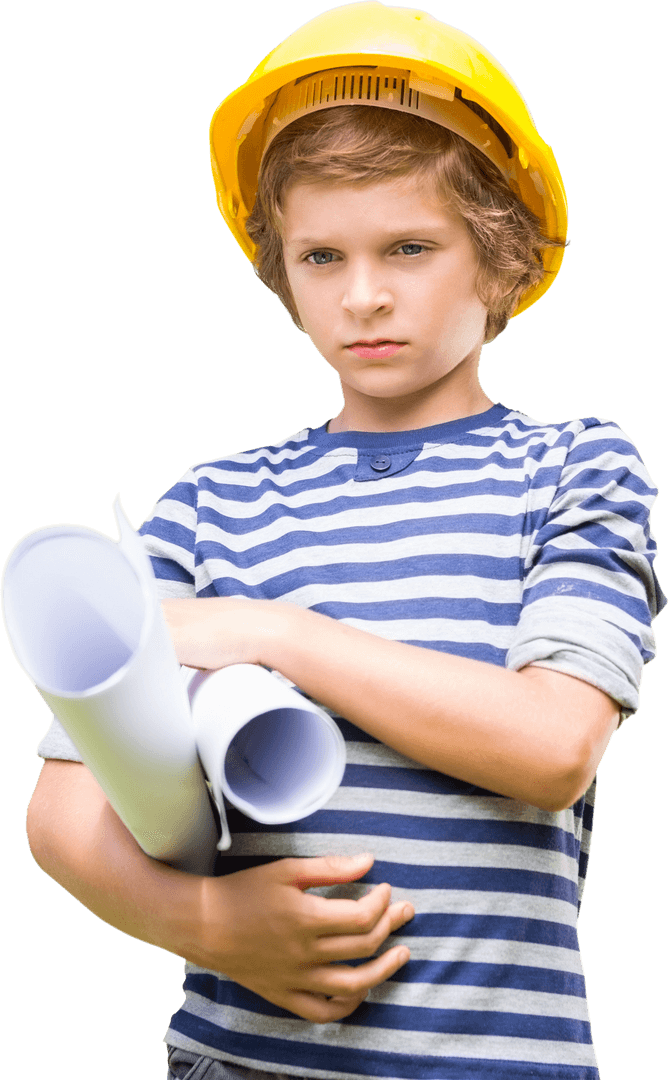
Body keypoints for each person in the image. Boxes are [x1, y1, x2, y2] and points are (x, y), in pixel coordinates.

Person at [24, 3, 664, 1079]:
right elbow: (63, 813)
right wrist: (209, 926)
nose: (362, 296)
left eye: (409, 247)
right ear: (282, 270)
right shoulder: (210, 504)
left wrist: (273, 634)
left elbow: (554, 748)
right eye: (321, 256)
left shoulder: (574, 469)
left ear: (498, 254)